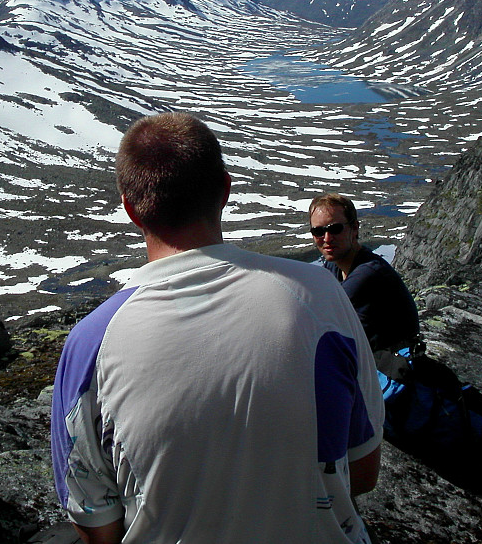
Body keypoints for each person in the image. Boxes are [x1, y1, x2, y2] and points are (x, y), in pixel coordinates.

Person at [51, 113, 384, 544]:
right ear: (224, 191)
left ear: (131, 209)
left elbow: (98, 526)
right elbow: (362, 468)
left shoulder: (89, 345)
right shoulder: (320, 295)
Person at [309, 193, 420, 355]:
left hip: (389, 369)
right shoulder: (334, 267)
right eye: (318, 231)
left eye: (335, 229)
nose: (327, 238)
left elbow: (320, 318)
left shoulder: (368, 274)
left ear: (354, 228)